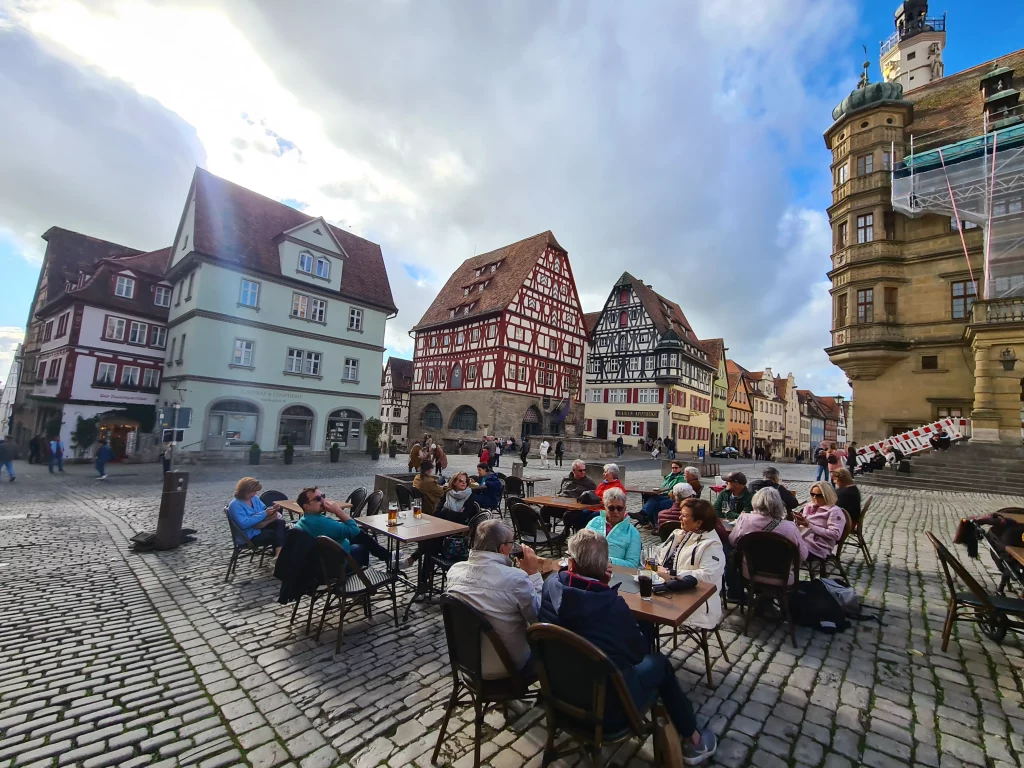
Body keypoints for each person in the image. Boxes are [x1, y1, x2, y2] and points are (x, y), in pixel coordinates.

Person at [539, 529, 717, 764]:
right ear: (605, 568)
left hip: (558, 692)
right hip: (607, 709)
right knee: (659, 663)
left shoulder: (550, 584)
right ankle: (693, 739)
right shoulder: (612, 605)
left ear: (570, 564)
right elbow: (637, 654)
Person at [446, 520, 542, 679]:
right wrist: (533, 574)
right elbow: (537, 618)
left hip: (467, 663)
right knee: (553, 648)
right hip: (507, 667)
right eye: (512, 543)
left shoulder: (454, 571)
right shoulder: (516, 580)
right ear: (503, 548)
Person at [657, 499, 725, 630]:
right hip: (668, 590)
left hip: (695, 603)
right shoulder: (678, 534)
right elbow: (660, 553)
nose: (679, 517)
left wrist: (671, 573)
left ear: (699, 522)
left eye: (684, 515)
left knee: (646, 614)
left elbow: (708, 575)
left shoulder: (711, 545)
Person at [295, 487, 391, 567]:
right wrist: (338, 511)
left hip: (324, 559)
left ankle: (387, 556)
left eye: (322, 496)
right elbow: (354, 529)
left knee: (361, 535)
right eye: (318, 499)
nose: (323, 500)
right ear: (306, 506)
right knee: (362, 541)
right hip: (338, 563)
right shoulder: (319, 522)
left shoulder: (304, 520)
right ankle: (362, 576)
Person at [729, 488, 808, 580]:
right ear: (779, 505)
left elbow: (732, 541)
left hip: (750, 575)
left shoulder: (744, 520)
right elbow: (803, 556)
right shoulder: (790, 528)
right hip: (782, 578)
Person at [228, 477, 287, 557]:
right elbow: (244, 524)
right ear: (246, 491)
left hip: (260, 526)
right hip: (249, 535)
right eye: (254, 491)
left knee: (280, 523)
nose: (255, 494)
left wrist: (272, 510)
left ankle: (278, 555)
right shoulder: (235, 505)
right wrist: (264, 514)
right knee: (282, 534)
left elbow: (262, 510)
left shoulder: (254, 498)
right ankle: (279, 557)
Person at [584, 487, 641, 568]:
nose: (615, 511)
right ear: (605, 508)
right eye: (611, 508)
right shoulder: (594, 522)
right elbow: (582, 547)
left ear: (625, 509)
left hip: (616, 574)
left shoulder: (632, 532)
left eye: (619, 508)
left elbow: (632, 564)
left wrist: (609, 561)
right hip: (588, 569)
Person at [794, 482, 846, 560]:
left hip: (817, 547)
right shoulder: (809, 506)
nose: (815, 497)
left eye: (819, 495)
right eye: (812, 494)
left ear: (827, 495)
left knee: (785, 551)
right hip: (801, 540)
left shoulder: (834, 511)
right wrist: (798, 521)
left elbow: (836, 534)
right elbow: (803, 526)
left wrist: (810, 526)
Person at [637, 460, 687, 527]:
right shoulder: (670, 476)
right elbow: (664, 486)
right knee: (651, 498)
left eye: (676, 468)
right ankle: (646, 517)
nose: (674, 469)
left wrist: (664, 492)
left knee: (655, 503)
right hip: (665, 494)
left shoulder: (681, 478)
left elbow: (677, 490)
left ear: (680, 468)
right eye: (672, 468)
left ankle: (655, 524)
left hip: (673, 497)